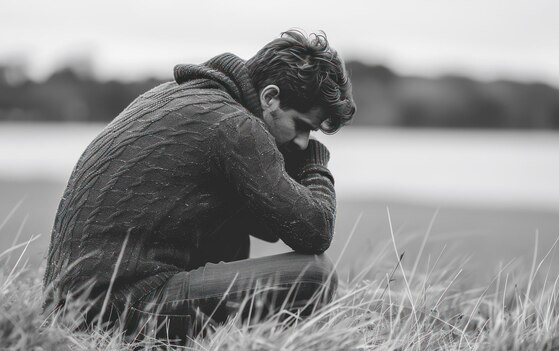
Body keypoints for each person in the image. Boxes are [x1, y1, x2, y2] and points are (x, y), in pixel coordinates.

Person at [42, 30, 356, 340]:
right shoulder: (236, 125)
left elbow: (269, 224)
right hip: (115, 308)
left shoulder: (177, 95)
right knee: (315, 275)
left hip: (70, 304)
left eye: (310, 136)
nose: (302, 142)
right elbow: (314, 231)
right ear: (270, 97)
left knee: (231, 231)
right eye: (301, 126)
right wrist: (315, 164)